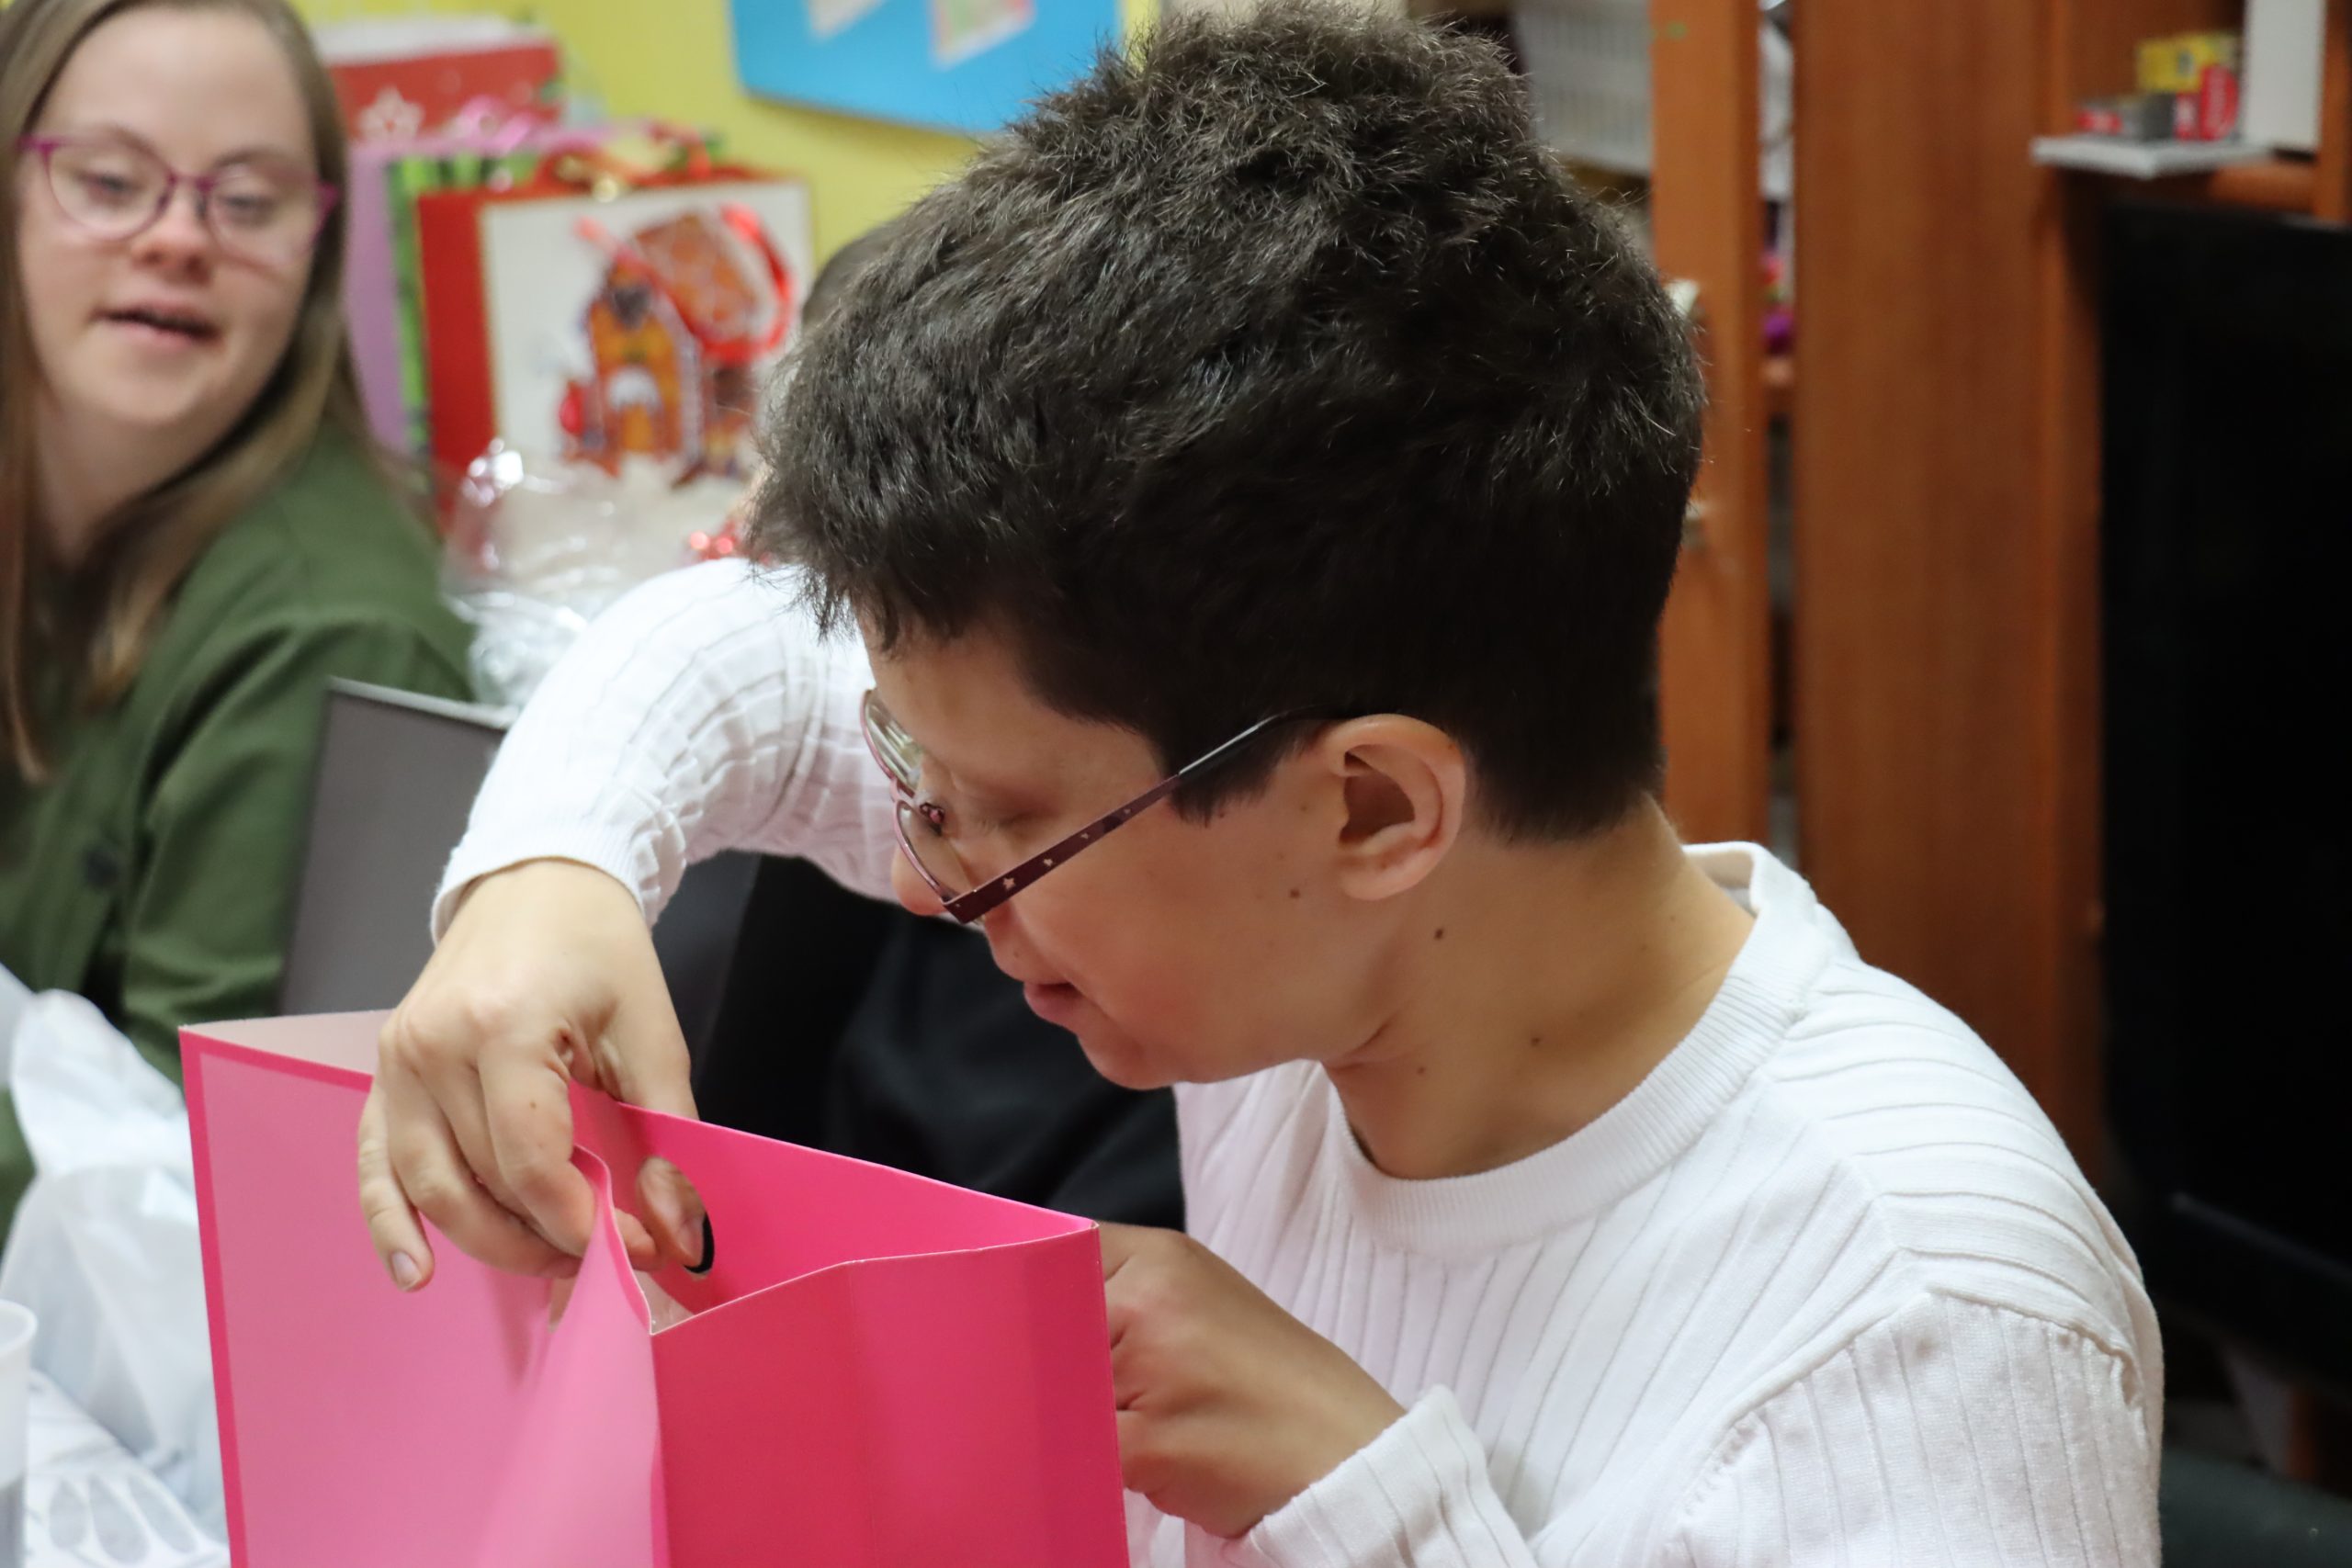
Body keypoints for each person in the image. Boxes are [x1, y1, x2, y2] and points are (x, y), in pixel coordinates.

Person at [360, 7, 2162, 1563]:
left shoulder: (1922, 1323)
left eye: (1005, 826)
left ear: (1374, 809)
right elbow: (738, 658)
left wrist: (1363, 1494)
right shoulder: (1319, 945)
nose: (927, 875)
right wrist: (546, 879)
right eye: (920, 781)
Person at [0, 0, 472, 1226]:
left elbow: (194, 1177)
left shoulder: (333, 634)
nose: (177, 238)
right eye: (110, 182)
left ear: (315, 257)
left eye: (249, 201)